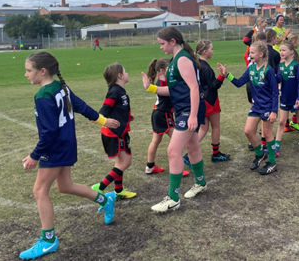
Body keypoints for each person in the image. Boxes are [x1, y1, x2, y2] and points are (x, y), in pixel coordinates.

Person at [20, 52, 118, 260]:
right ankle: (105, 199)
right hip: (67, 145)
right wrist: (102, 120)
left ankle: (48, 241)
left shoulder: (43, 95)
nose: (26, 74)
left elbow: (49, 132)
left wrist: (34, 156)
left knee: (39, 191)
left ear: (42, 71)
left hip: (55, 148)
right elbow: (80, 106)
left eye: (29, 70)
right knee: (65, 186)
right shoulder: (60, 87)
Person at [144, 27, 208, 213]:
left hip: (189, 110)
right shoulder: (174, 61)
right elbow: (173, 90)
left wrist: (193, 115)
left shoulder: (182, 60)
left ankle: (173, 198)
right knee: (192, 146)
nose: (161, 47)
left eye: (162, 43)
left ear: (173, 41)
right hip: (183, 110)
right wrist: (151, 88)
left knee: (173, 150)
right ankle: (201, 183)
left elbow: (194, 88)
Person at [219, 41, 279, 175]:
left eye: (252, 52)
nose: (249, 54)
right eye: (249, 52)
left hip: (267, 107)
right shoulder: (251, 68)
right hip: (256, 106)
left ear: (261, 54)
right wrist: (227, 74)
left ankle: (272, 162)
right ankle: (260, 154)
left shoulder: (268, 70)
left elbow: (275, 92)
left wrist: (274, 111)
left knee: (267, 134)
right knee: (248, 131)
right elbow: (239, 82)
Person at [92, 64, 137, 199]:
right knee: (125, 162)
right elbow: (105, 108)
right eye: (125, 71)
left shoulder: (120, 91)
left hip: (119, 131)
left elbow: (117, 108)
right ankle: (100, 187)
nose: (127, 73)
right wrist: (101, 118)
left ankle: (119, 190)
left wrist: (126, 117)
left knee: (120, 162)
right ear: (120, 76)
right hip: (114, 133)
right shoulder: (115, 91)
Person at [144, 59, 190, 177]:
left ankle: (150, 166)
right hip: (162, 114)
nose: (172, 70)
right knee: (177, 142)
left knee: (156, 141)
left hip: (158, 113)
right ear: (162, 71)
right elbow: (170, 91)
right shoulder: (161, 83)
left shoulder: (166, 81)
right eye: (169, 68)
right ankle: (177, 169)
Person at [189, 40, 230, 163]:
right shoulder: (206, 68)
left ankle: (188, 153)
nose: (213, 51)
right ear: (205, 52)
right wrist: (222, 75)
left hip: (201, 100)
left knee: (204, 129)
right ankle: (215, 154)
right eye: (211, 49)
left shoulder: (197, 65)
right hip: (211, 101)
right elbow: (214, 86)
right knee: (215, 126)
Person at [274, 41, 299, 156]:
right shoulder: (281, 66)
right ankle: (276, 147)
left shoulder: (296, 65)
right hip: (284, 98)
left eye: (284, 50)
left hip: (295, 99)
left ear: (291, 52)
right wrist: (270, 77)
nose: (281, 52)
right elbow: (279, 79)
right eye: (280, 50)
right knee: (282, 122)